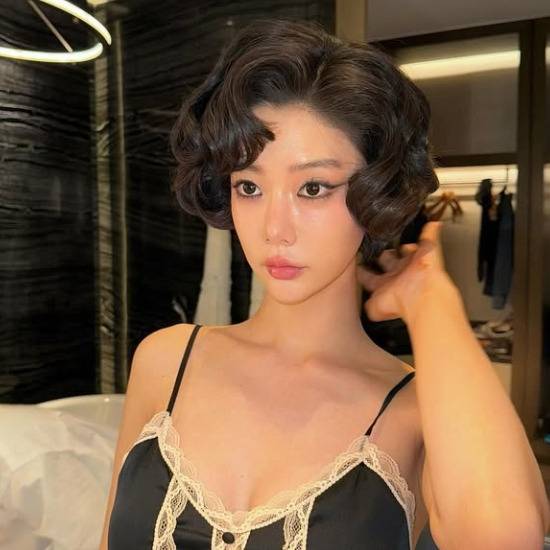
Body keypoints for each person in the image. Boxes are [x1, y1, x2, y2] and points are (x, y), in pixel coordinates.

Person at [100, 18, 549, 550]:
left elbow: (508, 536)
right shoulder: (166, 360)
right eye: (249, 187)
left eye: (312, 187)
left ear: (376, 192)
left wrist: (431, 299)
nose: (275, 229)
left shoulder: (413, 412)